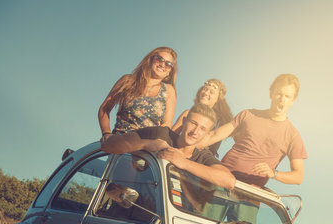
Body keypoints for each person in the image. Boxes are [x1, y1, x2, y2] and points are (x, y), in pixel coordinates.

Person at [200, 73, 307, 187]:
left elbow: (298, 176)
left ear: (293, 100)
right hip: (220, 180)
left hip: (250, 194)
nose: (282, 99)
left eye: (287, 96)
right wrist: (183, 149)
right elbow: (214, 135)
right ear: (271, 93)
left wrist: (273, 173)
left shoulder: (293, 135)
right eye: (278, 94)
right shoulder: (248, 114)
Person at [101, 103, 235, 190]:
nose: (195, 131)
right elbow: (109, 145)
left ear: (206, 134)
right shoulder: (160, 133)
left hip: (170, 219)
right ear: (184, 121)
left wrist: (183, 162)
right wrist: (147, 144)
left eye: (202, 129)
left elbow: (229, 181)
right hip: (131, 212)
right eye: (193, 123)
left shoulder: (202, 156)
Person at [98, 47, 178, 141]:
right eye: (160, 59)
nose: (163, 64)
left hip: (146, 149)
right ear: (151, 60)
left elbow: (166, 126)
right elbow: (105, 108)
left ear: (169, 72)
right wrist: (106, 133)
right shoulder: (128, 81)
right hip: (119, 144)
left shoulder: (169, 91)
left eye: (168, 64)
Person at [171, 79, 233, 157]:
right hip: (178, 152)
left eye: (211, 92)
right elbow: (171, 134)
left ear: (218, 99)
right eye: (205, 89)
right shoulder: (187, 113)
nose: (206, 93)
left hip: (200, 160)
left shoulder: (220, 123)